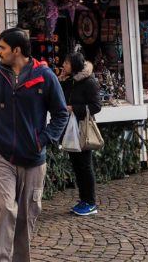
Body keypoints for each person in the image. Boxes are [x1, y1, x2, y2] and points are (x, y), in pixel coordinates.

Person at [0, 28, 69, 262]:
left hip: (33, 157)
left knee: (26, 218)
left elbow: (60, 114)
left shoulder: (45, 76)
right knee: (4, 210)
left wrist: (43, 140)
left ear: (17, 50)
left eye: (3, 47)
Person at [59, 50, 102, 216]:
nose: (64, 65)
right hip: (71, 128)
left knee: (85, 165)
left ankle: (90, 202)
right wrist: (61, 79)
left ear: (75, 65)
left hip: (82, 127)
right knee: (77, 165)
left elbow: (96, 106)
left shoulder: (88, 82)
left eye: (67, 63)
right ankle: (83, 199)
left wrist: (74, 109)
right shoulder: (70, 81)